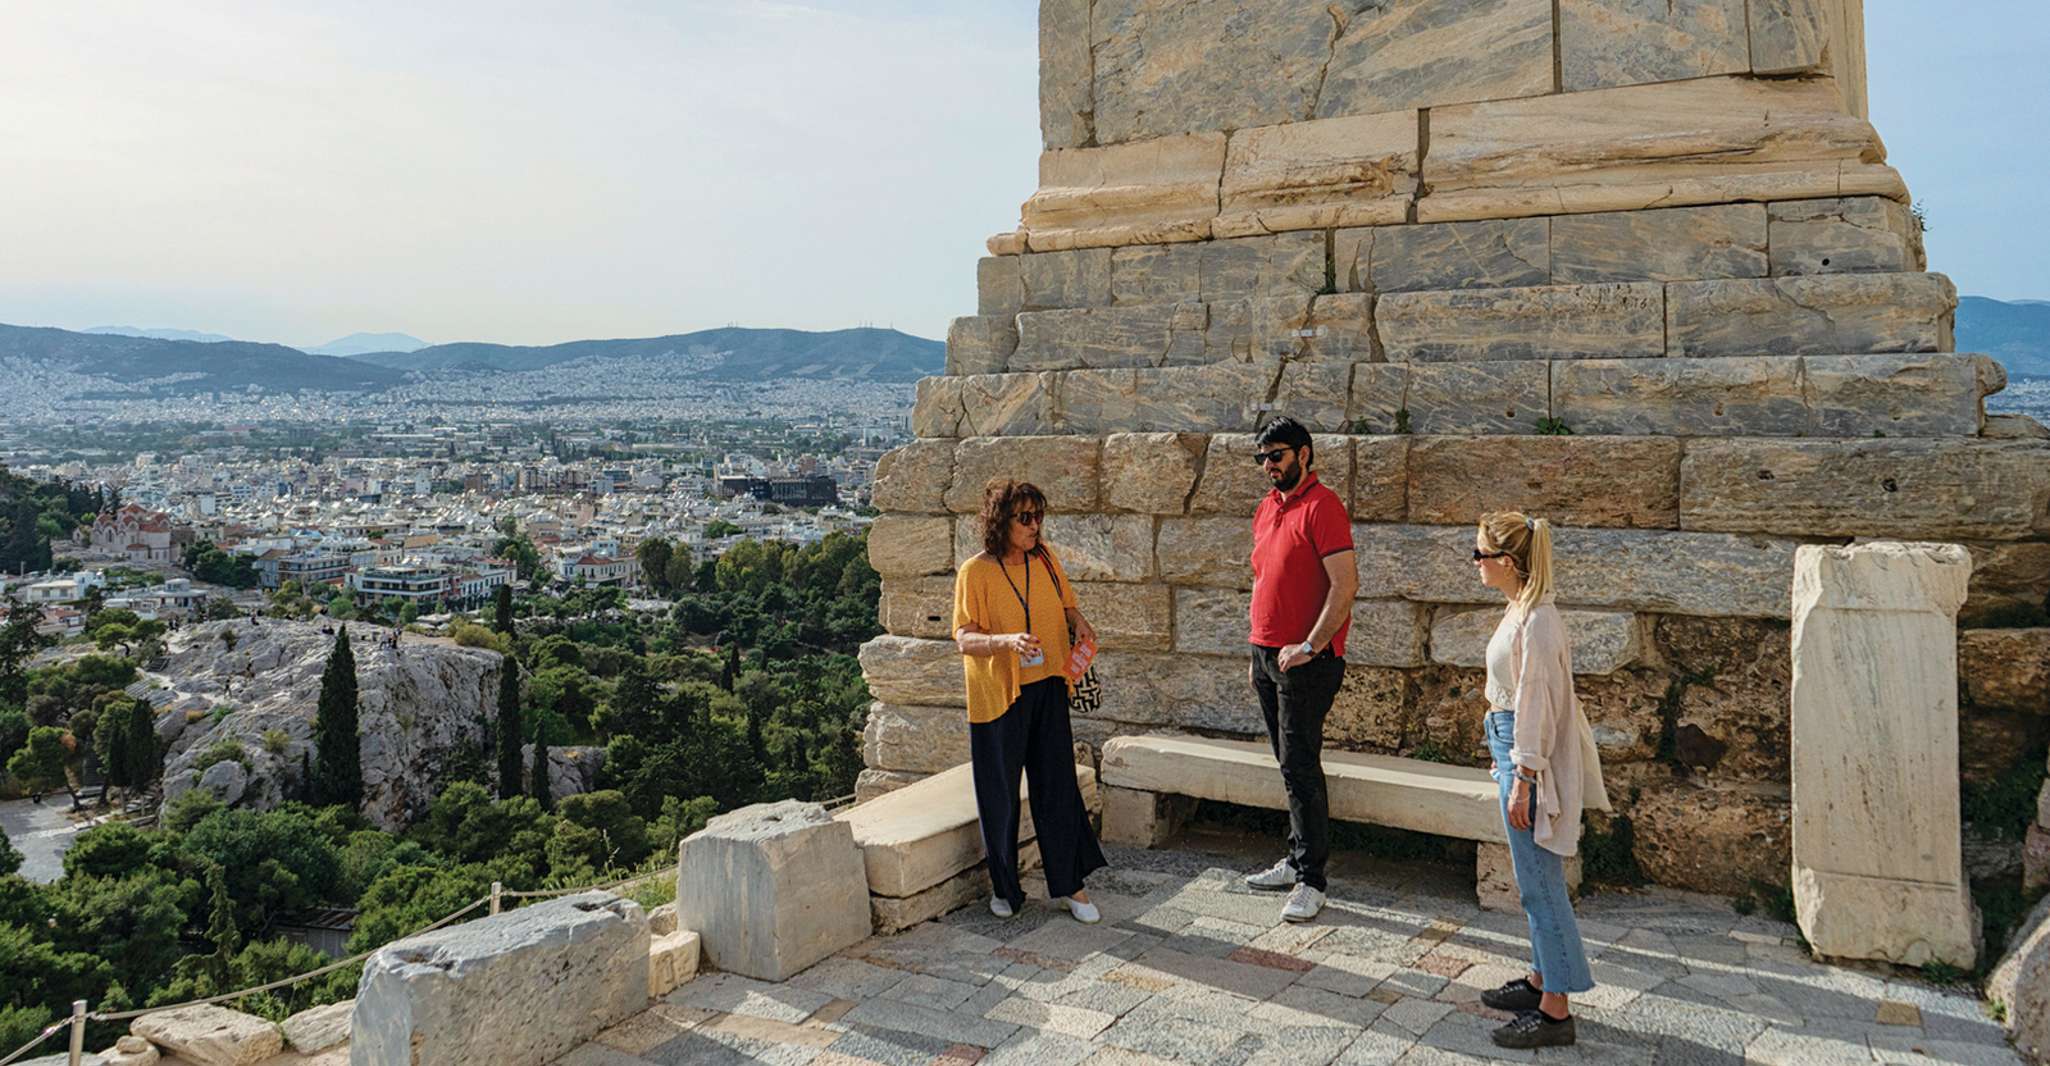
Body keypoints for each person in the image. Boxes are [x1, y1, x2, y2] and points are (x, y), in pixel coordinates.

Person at [1470, 511, 1610, 1050]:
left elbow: (1536, 702)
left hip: (1524, 753)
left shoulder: (1538, 620)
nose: (1476, 563)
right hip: (1510, 745)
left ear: (1507, 562)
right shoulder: (1522, 610)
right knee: (1532, 878)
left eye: (1481, 554)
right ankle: (1540, 979)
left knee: (1540, 883)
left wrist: (1525, 775)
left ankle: (1556, 1012)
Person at [953, 478, 1108, 924]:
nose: (1035, 525)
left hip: (1049, 683)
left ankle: (1072, 885)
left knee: (1057, 787)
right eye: (1025, 518)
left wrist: (1079, 622)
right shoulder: (976, 572)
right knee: (1000, 794)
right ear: (1000, 521)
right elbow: (964, 637)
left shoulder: (1045, 558)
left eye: (1038, 516)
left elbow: (1066, 605)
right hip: (1000, 695)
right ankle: (1005, 889)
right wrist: (1005, 642)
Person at [1241, 416, 1355, 923]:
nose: (1269, 465)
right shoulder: (1268, 507)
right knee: (1289, 764)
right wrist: (1257, 652)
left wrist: (1311, 644)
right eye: (1262, 457)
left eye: (1277, 455)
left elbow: (1345, 584)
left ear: (1304, 454)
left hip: (1307, 660)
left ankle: (1312, 879)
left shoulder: (1323, 506)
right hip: (1267, 655)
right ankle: (1295, 860)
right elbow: (1264, 578)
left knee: (1301, 765)